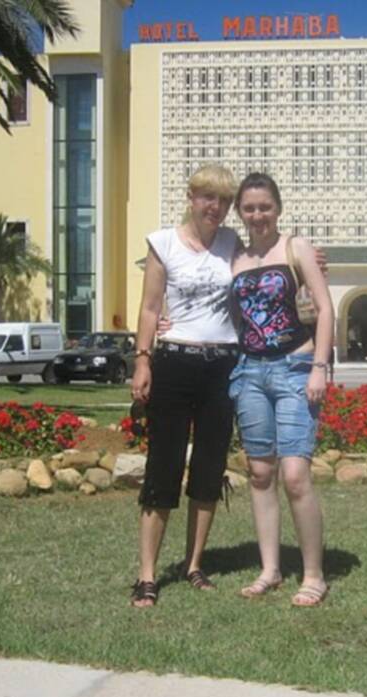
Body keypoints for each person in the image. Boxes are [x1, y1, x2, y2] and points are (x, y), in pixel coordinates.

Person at [129, 164, 241, 608]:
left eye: (224, 200)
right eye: (208, 197)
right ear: (192, 197)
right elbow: (149, 307)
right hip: (175, 362)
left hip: (223, 366)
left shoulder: (232, 244)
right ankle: (147, 575)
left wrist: (310, 261)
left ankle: (194, 565)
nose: (216, 207)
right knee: (164, 465)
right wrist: (143, 360)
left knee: (210, 467)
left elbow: (267, 263)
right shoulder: (164, 243)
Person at [228, 172, 335, 607]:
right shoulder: (235, 256)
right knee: (260, 473)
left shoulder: (296, 247)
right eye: (249, 208)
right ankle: (270, 569)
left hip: (295, 368)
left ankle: (314, 575)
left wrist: (319, 368)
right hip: (250, 372)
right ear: (240, 213)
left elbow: (325, 308)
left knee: (294, 475)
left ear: (278, 208)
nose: (258, 215)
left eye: (265, 207)